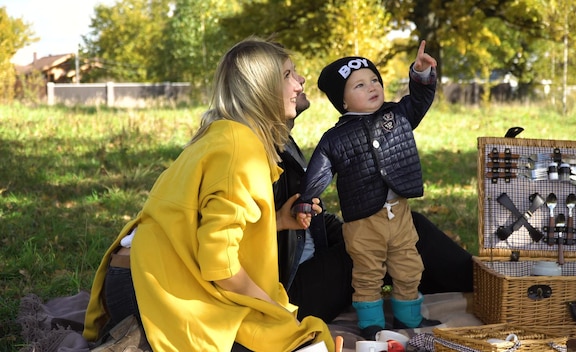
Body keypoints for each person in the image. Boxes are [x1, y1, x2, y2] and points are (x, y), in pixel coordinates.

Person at [82, 37, 334, 352]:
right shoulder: (240, 148)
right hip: (156, 288)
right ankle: (139, 340)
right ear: (261, 89)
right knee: (289, 340)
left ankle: (138, 337)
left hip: (149, 277)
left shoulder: (225, 134)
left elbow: (203, 231)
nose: (300, 82)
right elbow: (219, 264)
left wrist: (277, 223)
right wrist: (274, 309)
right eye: (287, 75)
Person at [292, 40, 443, 340]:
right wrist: (307, 200)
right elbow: (319, 171)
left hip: (398, 212)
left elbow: (421, 99)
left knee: (409, 266)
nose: (372, 86)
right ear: (343, 102)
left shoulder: (397, 115)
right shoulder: (335, 138)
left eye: (374, 80)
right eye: (359, 85)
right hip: (362, 221)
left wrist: (421, 74)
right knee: (367, 272)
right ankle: (371, 323)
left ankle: (409, 319)